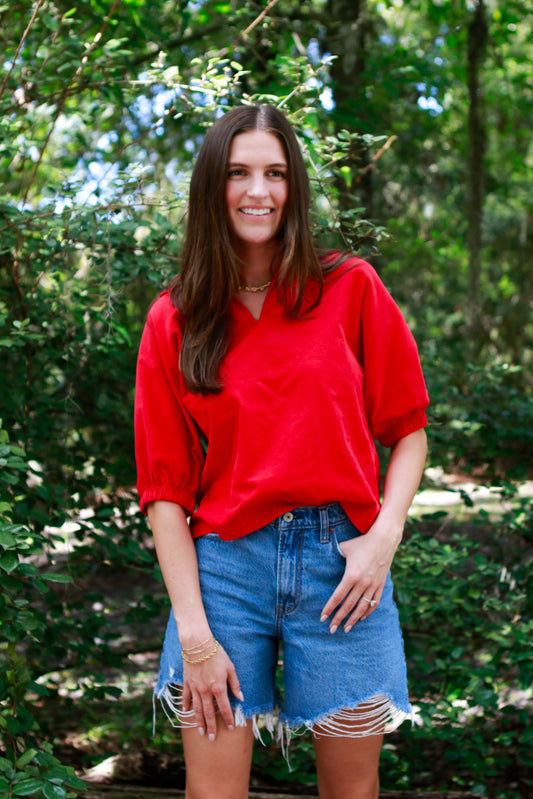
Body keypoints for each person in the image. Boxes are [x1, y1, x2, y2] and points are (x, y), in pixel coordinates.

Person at [134, 103, 429, 799]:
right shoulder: (175, 316)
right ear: (214, 186)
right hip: (223, 574)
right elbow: (164, 493)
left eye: (274, 173)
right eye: (238, 173)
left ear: (294, 186)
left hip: (343, 569)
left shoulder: (350, 286)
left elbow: (407, 430)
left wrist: (383, 536)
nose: (257, 191)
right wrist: (197, 638)